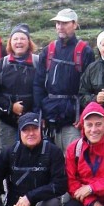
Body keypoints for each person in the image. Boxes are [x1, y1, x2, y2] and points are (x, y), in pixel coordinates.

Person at [34, 8, 96, 150]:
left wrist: (83, 115)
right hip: (49, 118)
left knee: (74, 159)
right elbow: (38, 84)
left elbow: (89, 88)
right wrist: (39, 113)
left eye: (64, 23)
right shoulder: (48, 50)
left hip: (73, 119)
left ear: (74, 25)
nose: (60, 27)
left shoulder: (85, 51)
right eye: (57, 23)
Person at [0, 23, 39, 151]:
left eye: (23, 38)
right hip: (7, 121)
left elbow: (43, 90)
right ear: (10, 42)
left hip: (32, 122)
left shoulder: (38, 63)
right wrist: (11, 107)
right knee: (7, 156)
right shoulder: (2, 64)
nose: (19, 42)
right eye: (15, 39)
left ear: (29, 42)